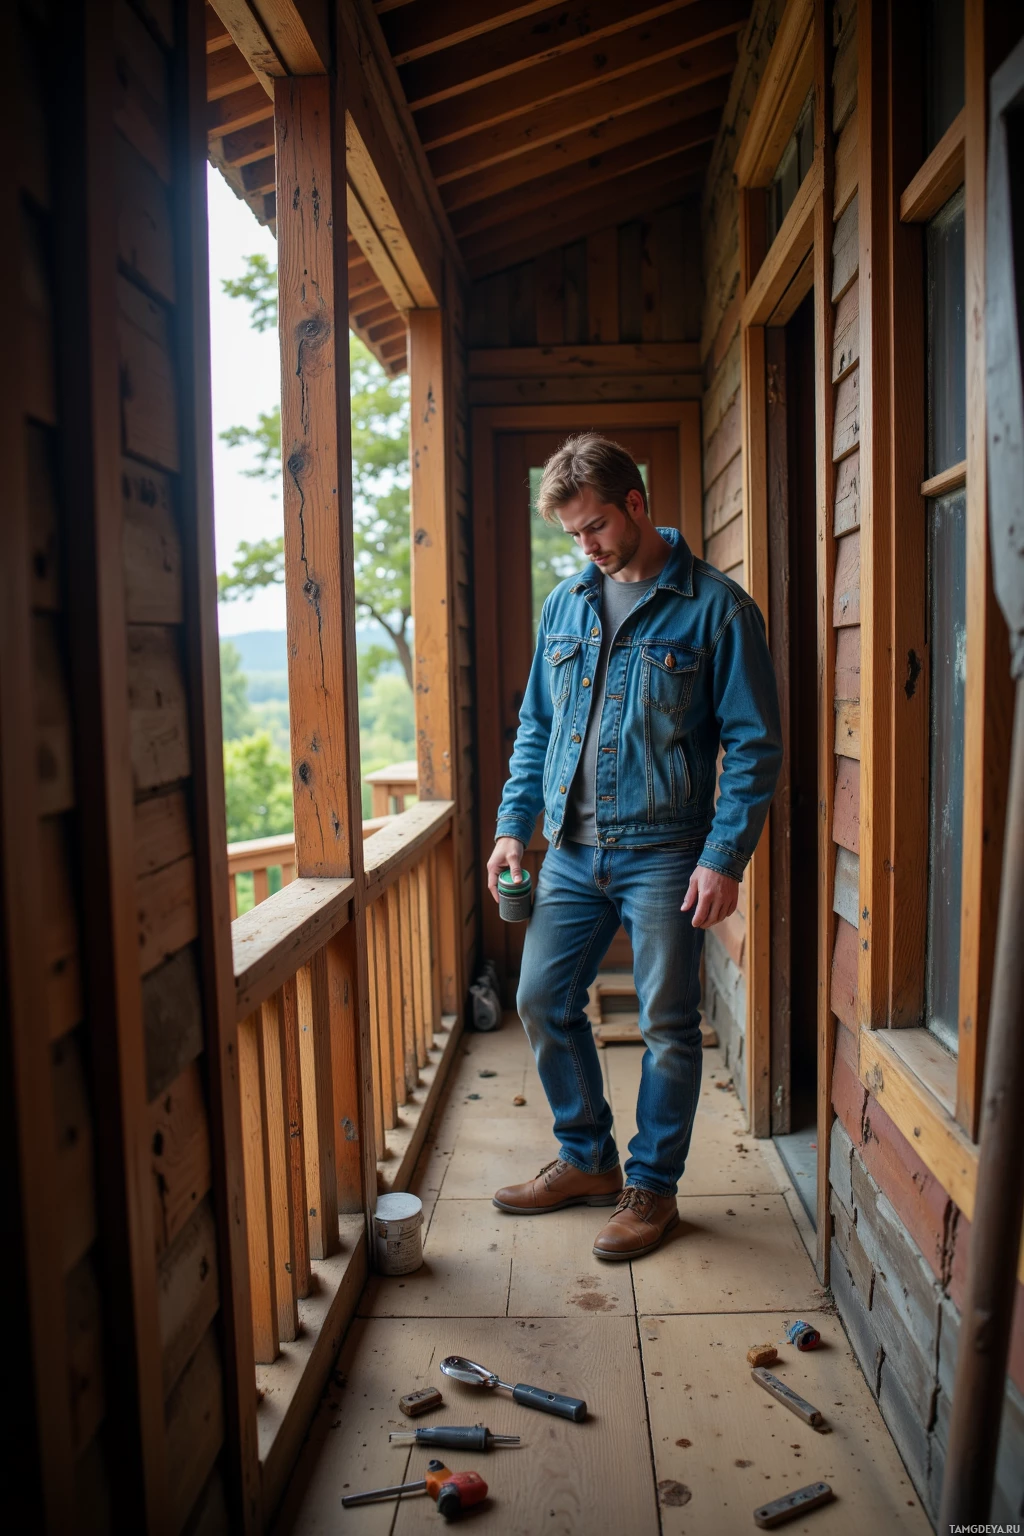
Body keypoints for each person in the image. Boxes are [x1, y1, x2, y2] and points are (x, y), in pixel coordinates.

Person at [486, 433, 782, 1261]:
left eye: (595, 529)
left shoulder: (718, 608)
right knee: (541, 1000)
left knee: (667, 1024)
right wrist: (514, 827)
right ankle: (586, 1161)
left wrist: (724, 856)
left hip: (666, 852)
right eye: (572, 536)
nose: (585, 548)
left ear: (637, 505)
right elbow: (537, 729)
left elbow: (754, 745)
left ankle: (651, 1188)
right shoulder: (566, 605)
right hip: (571, 854)